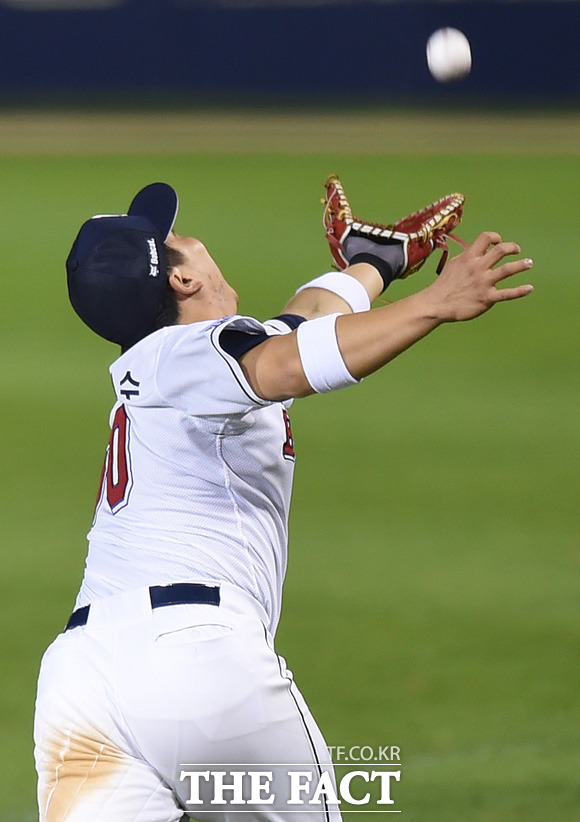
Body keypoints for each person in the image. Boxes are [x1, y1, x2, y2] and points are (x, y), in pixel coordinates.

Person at [34, 182, 533, 822]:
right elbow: (287, 363)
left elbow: (298, 326)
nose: (190, 238)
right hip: (193, 658)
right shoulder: (194, 359)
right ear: (181, 281)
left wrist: (372, 263)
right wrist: (435, 302)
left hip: (79, 684)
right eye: (175, 239)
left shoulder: (176, 367)